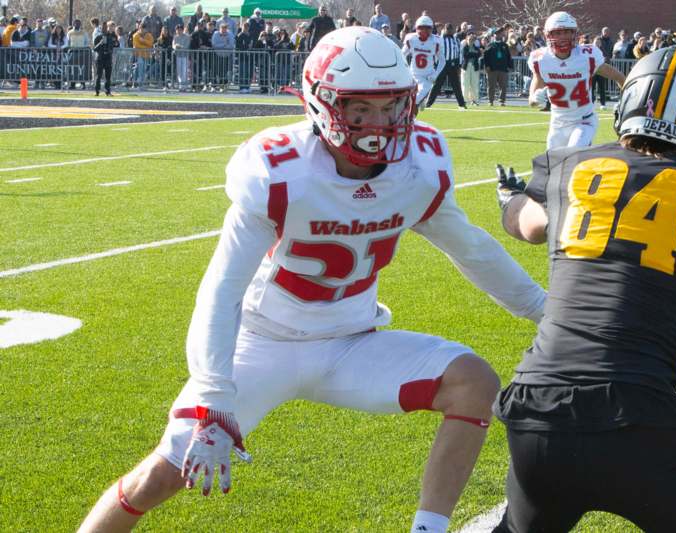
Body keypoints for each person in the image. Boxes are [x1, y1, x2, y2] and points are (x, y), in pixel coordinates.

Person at [77, 26, 547, 533]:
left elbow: (473, 250)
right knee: (159, 478)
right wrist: (214, 396)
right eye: (360, 109)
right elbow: (222, 287)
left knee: (473, 382)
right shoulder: (282, 170)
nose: (380, 124)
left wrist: (550, 313)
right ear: (323, 105)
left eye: (390, 106)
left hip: (349, 342)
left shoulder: (418, 166)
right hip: (260, 345)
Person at [491, 43, 676, 533]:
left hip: (536, 413)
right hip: (637, 426)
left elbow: (523, 223)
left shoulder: (569, 165)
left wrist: (508, 195)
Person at [527, 12, 626, 149]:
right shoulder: (541, 59)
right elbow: (532, 101)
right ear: (548, 35)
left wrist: (627, 101)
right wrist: (535, 98)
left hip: (584, 120)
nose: (563, 37)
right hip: (558, 123)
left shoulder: (587, 56)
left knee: (573, 154)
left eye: (567, 32)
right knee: (554, 166)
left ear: (574, 34)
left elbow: (619, 77)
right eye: (558, 33)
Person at [401, 15, 444, 110]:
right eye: (421, 28)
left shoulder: (435, 41)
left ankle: (415, 104)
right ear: (417, 28)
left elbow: (442, 60)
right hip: (415, 73)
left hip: (428, 74)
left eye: (426, 28)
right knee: (419, 92)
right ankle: (412, 106)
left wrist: (435, 74)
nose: (423, 31)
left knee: (422, 92)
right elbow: (402, 55)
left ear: (430, 29)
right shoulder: (411, 39)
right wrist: (405, 69)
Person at [426, 23, 466, 110]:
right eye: (448, 29)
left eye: (451, 29)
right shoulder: (439, 39)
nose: (450, 31)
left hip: (452, 64)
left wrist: (459, 65)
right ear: (445, 29)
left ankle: (461, 104)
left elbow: (459, 52)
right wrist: (435, 64)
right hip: (442, 64)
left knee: (456, 85)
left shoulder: (456, 39)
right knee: (437, 84)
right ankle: (428, 103)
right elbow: (434, 52)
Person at [483, 28, 514, 106]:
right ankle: (491, 101)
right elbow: (485, 57)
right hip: (492, 69)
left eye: (499, 33)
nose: (498, 35)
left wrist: (510, 66)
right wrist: (487, 66)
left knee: (503, 86)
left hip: (503, 69)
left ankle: (501, 101)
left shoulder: (505, 45)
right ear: (494, 35)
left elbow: (508, 56)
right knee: (491, 86)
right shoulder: (490, 45)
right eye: (496, 34)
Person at [94, 21, 118, 96]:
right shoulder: (99, 37)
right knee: (99, 75)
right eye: (103, 28)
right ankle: (97, 91)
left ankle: (108, 91)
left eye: (112, 27)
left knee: (108, 76)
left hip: (108, 57)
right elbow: (95, 48)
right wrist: (100, 43)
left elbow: (116, 45)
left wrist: (115, 43)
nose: (106, 29)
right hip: (100, 57)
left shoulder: (113, 36)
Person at [461, 30, 482, 106]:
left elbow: (479, 55)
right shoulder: (465, 47)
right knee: (465, 84)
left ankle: (474, 100)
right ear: (467, 39)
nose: (471, 41)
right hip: (466, 67)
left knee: (474, 84)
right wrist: (474, 54)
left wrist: (472, 54)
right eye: (470, 39)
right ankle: (464, 100)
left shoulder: (476, 48)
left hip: (474, 67)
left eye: (473, 39)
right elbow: (465, 55)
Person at [172, 23, 190, 91]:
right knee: (179, 71)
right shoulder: (175, 37)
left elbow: (186, 46)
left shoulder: (187, 37)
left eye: (180, 30)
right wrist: (175, 47)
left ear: (182, 30)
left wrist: (179, 47)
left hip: (185, 56)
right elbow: (173, 45)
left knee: (184, 71)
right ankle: (181, 85)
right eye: (177, 30)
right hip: (178, 56)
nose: (179, 31)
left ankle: (184, 86)